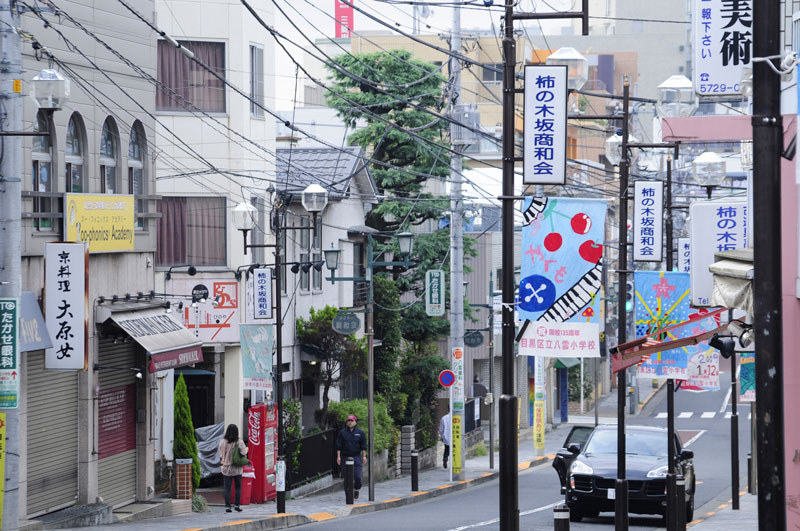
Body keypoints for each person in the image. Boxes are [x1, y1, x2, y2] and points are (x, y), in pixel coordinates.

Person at [336, 414, 367, 499]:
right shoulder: (342, 433)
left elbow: (363, 446)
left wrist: (364, 456)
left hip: (356, 456)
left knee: (357, 476)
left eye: (351, 421)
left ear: (355, 422)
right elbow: (338, 446)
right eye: (348, 421)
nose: (349, 422)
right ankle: (348, 495)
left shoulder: (360, 433)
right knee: (346, 476)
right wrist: (338, 457)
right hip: (345, 457)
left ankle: (356, 488)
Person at [218, 423, 248, 513]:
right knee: (238, 487)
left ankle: (228, 506)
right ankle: (237, 505)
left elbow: (220, 454)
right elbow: (243, 453)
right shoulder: (239, 442)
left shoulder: (223, 441)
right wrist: (246, 449)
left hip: (226, 468)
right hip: (237, 468)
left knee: (227, 488)